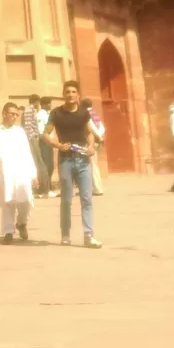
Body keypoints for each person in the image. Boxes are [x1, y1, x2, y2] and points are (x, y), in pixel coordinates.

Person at [45, 81, 102, 247]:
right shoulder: (56, 113)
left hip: (83, 159)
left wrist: (91, 146)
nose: (70, 94)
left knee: (86, 199)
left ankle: (88, 236)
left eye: (73, 92)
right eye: (67, 91)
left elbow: (89, 133)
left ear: (78, 95)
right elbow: (46, 135)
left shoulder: (84, 113)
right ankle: (65, 234)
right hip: (66, 160)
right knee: (67, 199)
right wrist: (58, 145)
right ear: (63, 94)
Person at [0, 103, 38, 242]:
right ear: (4, 113)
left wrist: (33, 174)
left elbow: (27, 153)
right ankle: (8, 232)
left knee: (26, 201)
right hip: (4, 173)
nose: (14, 116)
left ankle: (21, 223)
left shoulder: (20, 132)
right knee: (7, 202)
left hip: (21, 172)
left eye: (16, 114)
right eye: (12, 113)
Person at [22, 94, 49, 195]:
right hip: (32, 138)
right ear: (36, 101)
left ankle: (42, 187)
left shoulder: (29, 110)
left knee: (37, 161)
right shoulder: (29, 110)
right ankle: (43, 187)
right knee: (37, 162)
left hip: (32, 138)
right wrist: (32, 139)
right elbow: (28, 127)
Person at [81, 98, 106, 195]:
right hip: (97, 141)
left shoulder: (86, 114)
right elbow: (101, 127)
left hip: (91, 141)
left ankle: (97, 189)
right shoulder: (94, 113)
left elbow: (91, 128)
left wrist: (99, 137)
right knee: (93, 164)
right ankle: (94, 187)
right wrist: (101, 136)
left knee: (92, 165)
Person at [37, 98, 56, 196]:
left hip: (48, 141)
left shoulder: (46, 114)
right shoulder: (41, 115)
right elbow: (41, 130)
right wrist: (46, 140)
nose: (50, 105)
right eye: (49, 103)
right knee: (46, 165)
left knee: (49, 166)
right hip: (44, 141)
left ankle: (47, 189)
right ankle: (46, 190)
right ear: (44, 104)